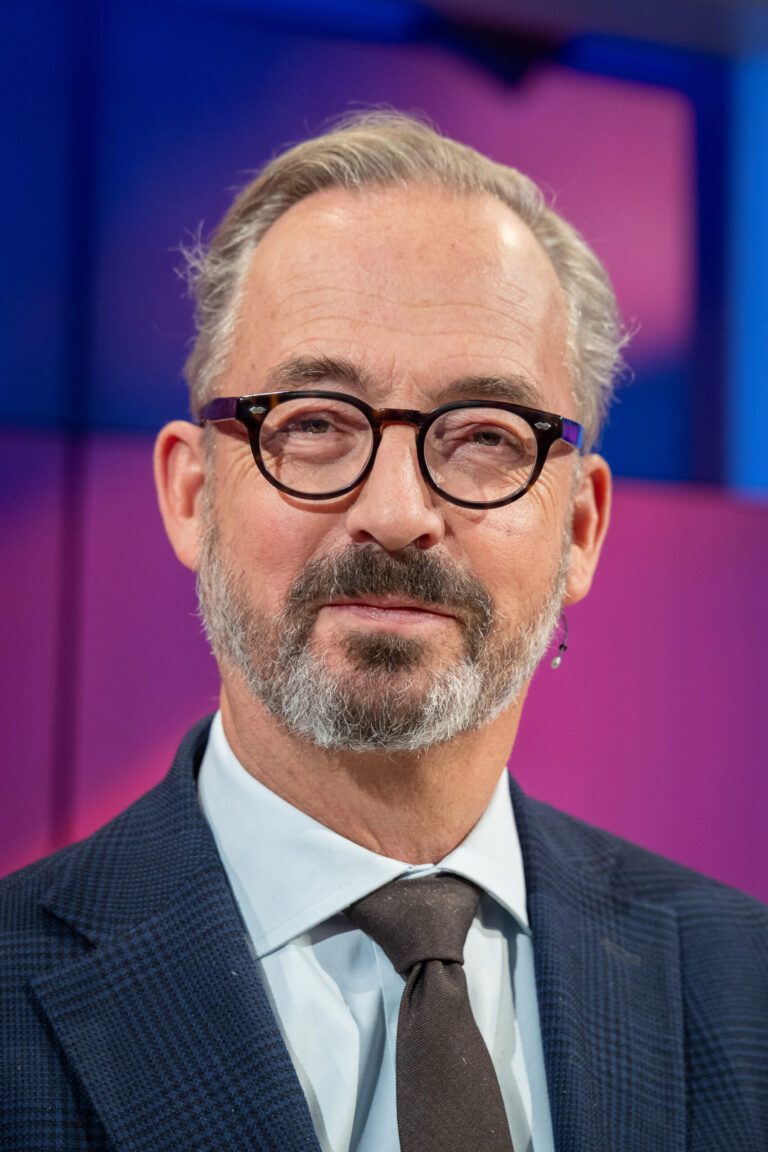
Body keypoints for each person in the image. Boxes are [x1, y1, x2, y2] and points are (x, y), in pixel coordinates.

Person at [1, 113, 766, 1152]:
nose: (399, 512)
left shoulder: (746, 986)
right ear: (192, 495)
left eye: (487, 435)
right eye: (315, 422)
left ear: (580, 529)